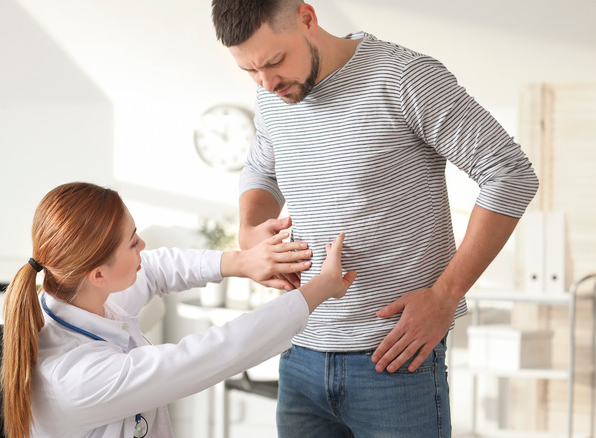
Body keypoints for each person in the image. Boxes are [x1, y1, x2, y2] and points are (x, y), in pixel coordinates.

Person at [211, 1, 540, 437]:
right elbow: (261, 168)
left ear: (307, 18)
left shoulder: (404, 77)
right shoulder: (273, 95)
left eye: (274, 62)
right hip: (299, 349)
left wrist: (445, 295)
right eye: (250, 71)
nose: (267, 83)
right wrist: (251, 228)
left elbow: (509, 173)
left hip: (394, 358)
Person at [0, 181, 357, 438]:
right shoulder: (77, 379)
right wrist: (318, 290)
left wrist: (240, 262)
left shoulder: (77, 299)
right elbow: (214, 353)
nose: (142, 245)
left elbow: (154, 269)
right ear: (98, 274)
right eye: (132, 242)